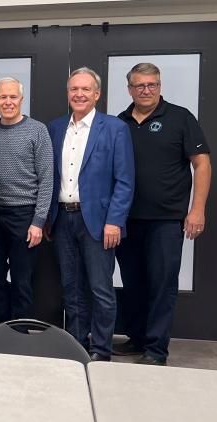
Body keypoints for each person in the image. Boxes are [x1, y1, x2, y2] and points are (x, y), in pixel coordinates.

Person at [114, 62, 211, 366]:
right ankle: (137, 338)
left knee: (161, 284)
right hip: (127, 219)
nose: (146, 90)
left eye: (152, 84)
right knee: (133, 282)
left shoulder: (180, 118)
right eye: (140, 85)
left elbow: (202, 164)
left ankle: (156, 350)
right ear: (130, 89)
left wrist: (197, 209)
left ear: (160, 86)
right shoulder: (120, 122)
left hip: (166, 220)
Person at [47, 67, 135, 362]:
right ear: (68, 93)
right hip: (62, 219)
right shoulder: (56, 128)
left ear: (97, 94)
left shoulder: (114, 128)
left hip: (98, 222)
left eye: (86, 90)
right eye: (74, 89)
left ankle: (101, 349)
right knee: (70, 288)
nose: (79, 94)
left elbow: (125, 180)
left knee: (100, 289)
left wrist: (115, 221)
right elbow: (49, 176)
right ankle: (76, 345)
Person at [0, 77, 54, 323]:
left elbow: (47, 179)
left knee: (22, 280)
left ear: (21, 100)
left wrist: (38, 221)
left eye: (13, 97)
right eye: (3, 97)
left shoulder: (37, 130)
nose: (8, 102)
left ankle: (19, 333)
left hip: (25, 215)